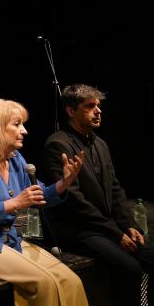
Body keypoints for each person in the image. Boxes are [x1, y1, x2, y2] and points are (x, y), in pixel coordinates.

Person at [0, 98, 88, 306]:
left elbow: (38, 194)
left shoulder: (15, 159)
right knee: (44, 283)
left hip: (8, 239)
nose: (24, 131)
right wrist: (16, 203)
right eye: (17, 124)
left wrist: (63, 183)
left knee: (71, 280)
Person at [42, 84, 154, 306]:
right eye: (90, 106)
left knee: (150, 254)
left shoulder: (100, 143)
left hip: (101, 226)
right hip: (76, 228)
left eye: (99, 106)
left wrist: (128, 225)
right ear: (71, 111)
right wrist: (115, 233)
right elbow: (74, 202)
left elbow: (114, 189)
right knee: (130, 267)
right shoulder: (58, 144)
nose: (98, 111)